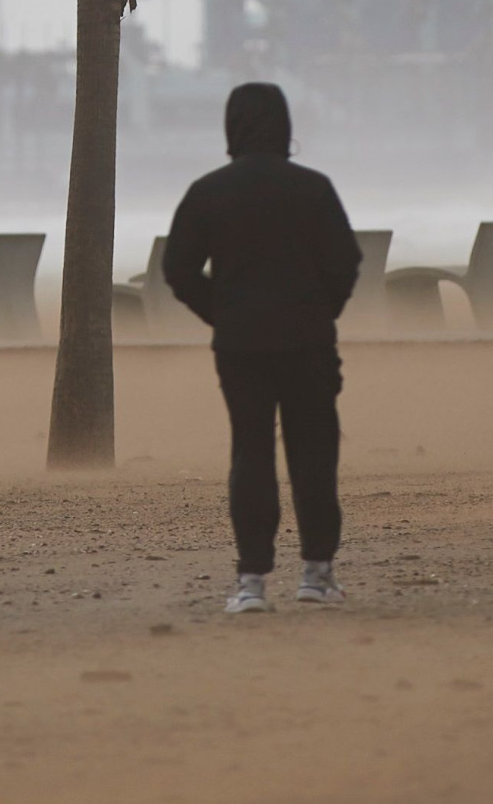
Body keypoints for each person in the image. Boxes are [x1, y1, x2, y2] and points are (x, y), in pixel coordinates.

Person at [161, 81, 365, 614]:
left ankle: (251, 581)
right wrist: (322, 312)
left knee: (250, 452)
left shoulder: (209, 192)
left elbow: (178, 269)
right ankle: (317, 575)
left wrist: (222, 313)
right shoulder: (313, 189)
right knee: (314, 453)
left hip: (240, 344)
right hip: (308, 341)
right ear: (286, 126)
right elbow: (345, 263)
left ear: (231, 126)